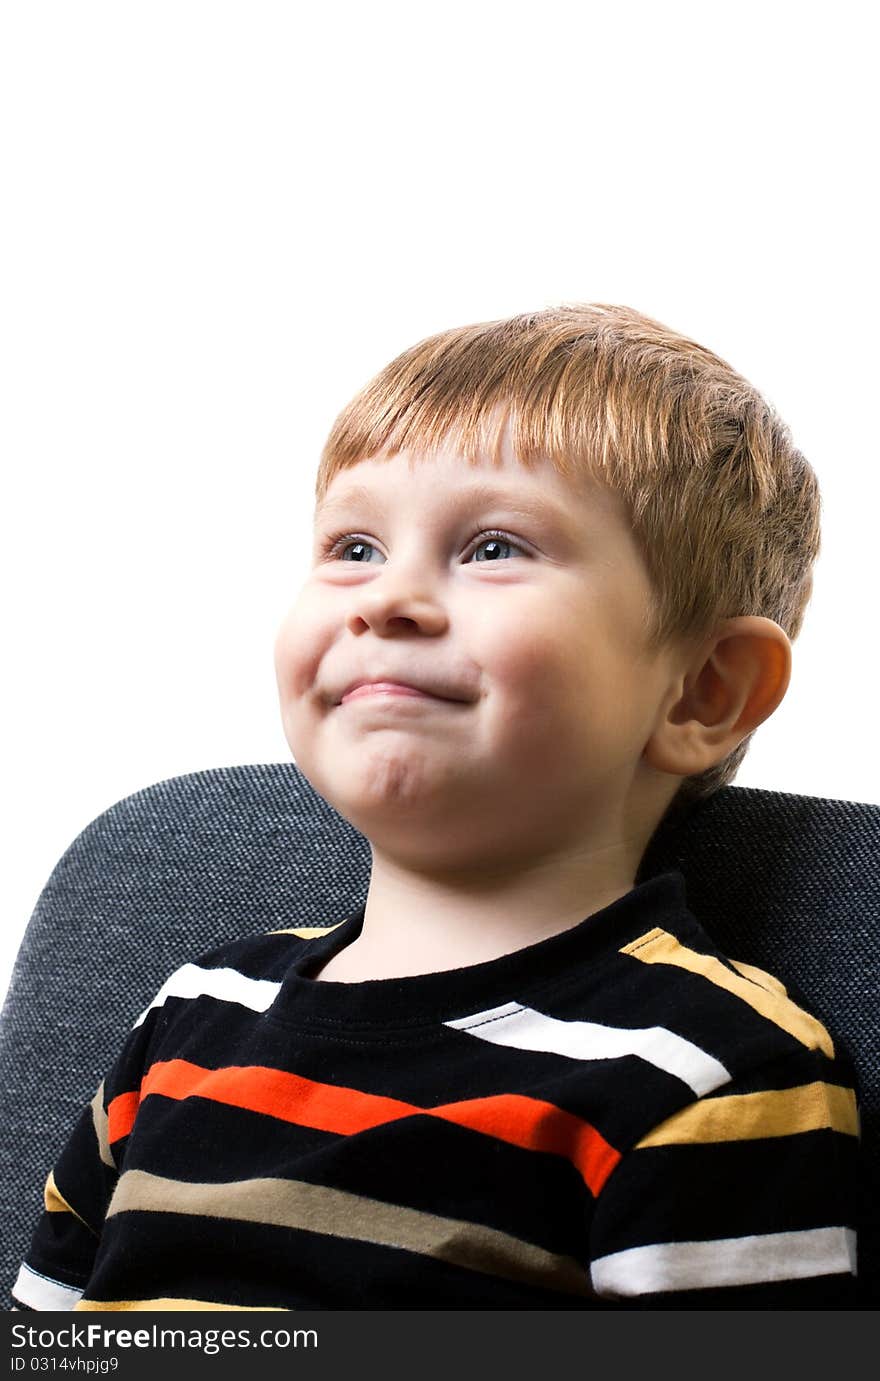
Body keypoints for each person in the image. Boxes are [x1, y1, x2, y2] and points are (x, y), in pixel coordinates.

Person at [11, 304, 861, 1311]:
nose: (385, 597)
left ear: (701, 692)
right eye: (354, 546)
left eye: (494, 545)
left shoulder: (709, 1070)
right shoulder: (194, 1012)